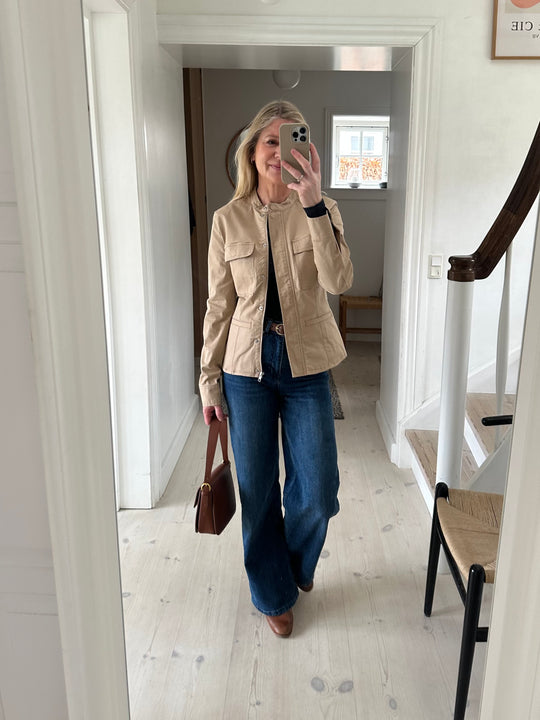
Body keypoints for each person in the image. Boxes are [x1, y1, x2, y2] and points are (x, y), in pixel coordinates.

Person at [199, 100, 353, 638]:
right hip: (246, 368)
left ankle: (291, 563)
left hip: (307, 363)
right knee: (257, 489)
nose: (279, 152)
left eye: (292, 140)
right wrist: (208, 381)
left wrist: (313, 206)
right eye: (271, 141)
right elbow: (219, 306)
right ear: (253, 151)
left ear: (305, 150)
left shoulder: (324, 208)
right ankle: (272, 591)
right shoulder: (227, 219)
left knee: (319, 489)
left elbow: (338, 282)